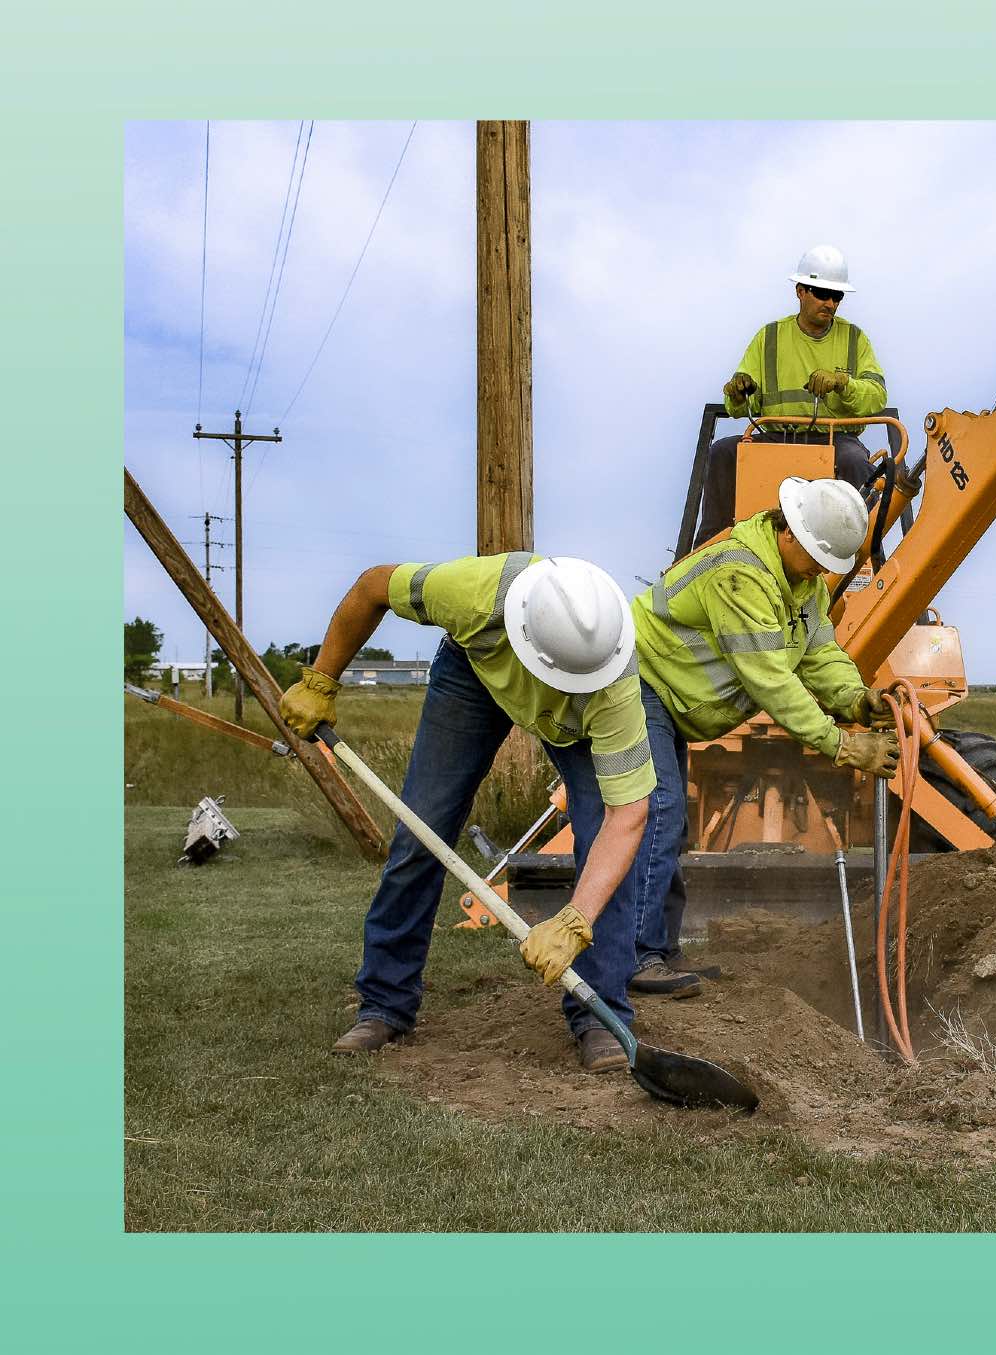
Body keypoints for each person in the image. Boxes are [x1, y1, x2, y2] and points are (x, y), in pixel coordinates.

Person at [278, 554, 657, 1074]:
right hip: (473, 674)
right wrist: (322, 679)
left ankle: (599, 1014)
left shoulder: (613, 682)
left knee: (608, 849)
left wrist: (575, 921)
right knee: (421, 831)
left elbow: (628, 815)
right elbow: (372, 587)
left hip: (577, 720)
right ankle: (385, 1003)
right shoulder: (478, 595)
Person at [627, 476, 903, 996]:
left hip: (673, 700)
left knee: (670, 820)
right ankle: (638, 957)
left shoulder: (804, 585)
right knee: (660, 812)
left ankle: (661, 948)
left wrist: (855, 698)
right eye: (819, 558)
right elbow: (770, 677)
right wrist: (842, 744)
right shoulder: (738, 572)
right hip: (642, 688)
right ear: (791, 533)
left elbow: (820, 655)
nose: (823, 570)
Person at [694, 244, 896, 544]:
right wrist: (738, 394)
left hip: (835, 439)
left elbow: (876, 396)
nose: (830, 303)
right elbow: (740, 405)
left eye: (836, 296)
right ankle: (710, 548)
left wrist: (843, 382)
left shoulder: (855, 339)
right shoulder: (770, 338)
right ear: (800, 291)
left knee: (856, 462)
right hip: (777, 437)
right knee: (724, 453)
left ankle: (861, 552)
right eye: (821, 293)